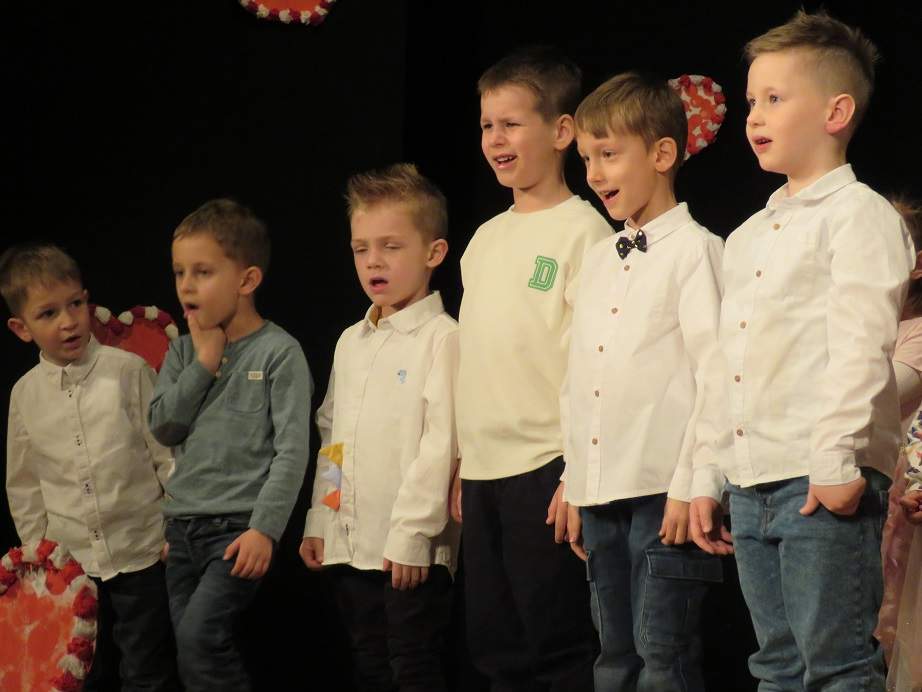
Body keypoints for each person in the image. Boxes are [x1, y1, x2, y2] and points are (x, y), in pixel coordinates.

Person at [689, 11, 915, 690]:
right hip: (751, 476)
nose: (755, 115)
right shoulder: (748, 235)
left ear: (835, 112)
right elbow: (726, 363)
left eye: (775, 98)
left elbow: (861, 345)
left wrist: (838, 458)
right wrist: (709, 472)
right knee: (777, 664)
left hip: (818, 477)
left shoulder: (860, 216)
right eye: (751, 100)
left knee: (836, 665)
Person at [453, 46, 610, 690]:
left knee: (557, 642)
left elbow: (593, 365)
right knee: (495, 644)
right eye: (487, 125)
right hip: (482, 470)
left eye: (512, 124)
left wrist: (577, 471)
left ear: (562, 131)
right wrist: (461, 459)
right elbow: (477, 360)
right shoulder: (483, 240)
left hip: (546, 466)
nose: (496, 139)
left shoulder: (585, 234)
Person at [563, 71, 724, 691]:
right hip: (601, 491)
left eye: (608, 155)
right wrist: (575, 478)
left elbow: (716, 376)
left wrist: (695, 482)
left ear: (661, 154)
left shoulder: (697, 251)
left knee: (664, 656)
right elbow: (580, 376)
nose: (594, 173)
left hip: (664, 493)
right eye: (586, 158)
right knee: (613, 657)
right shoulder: (598, 259)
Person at [300, 163, 460, 692]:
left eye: (391, 246)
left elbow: (442, 445)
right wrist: (321, 519)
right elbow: (334, 440)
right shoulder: (351, 341)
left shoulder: (442, 338)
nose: (373, 261)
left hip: (409, 552)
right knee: (369, 667)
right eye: (361, 248)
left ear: (433, 253)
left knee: (412, 668)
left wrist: (414, 535)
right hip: (352, 545)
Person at [149, 199, 312, 691]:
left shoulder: (278, 352)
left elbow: (292, 450)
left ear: (247, 280)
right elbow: (164, 426)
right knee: (191, 652)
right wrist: (204, 362)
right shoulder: (182, 351)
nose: (186, 285)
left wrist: (265, 529)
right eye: (180, 272)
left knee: (200, 639)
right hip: (181, 532)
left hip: (236, 531)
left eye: (202, 272)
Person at [2, 242, 178, 691]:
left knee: (146, 670)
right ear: (21, 328)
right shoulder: (24, 395)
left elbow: (165, 454)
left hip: (140, 550)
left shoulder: (128, 371)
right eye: (48, 314)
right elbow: (24, 484)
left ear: (86, 300)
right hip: (73, 564)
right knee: (83, 673)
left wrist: (174, 527)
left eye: (75, 305)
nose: (68, 321)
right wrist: (41, 559)